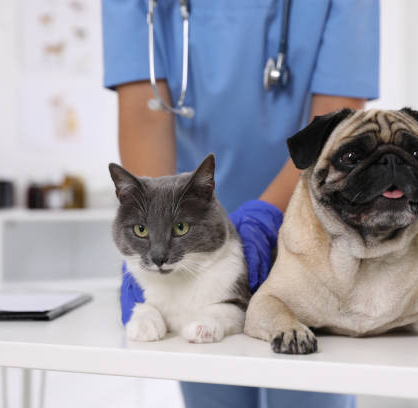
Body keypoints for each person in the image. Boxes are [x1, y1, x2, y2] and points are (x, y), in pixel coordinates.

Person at [102, 0, 379, 406]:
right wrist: (151, 222)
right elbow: (146, 115)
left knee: (309, 390)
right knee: (212, 381)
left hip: (310, 226)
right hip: (192, 247)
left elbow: (336, 124)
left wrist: (264, 219)